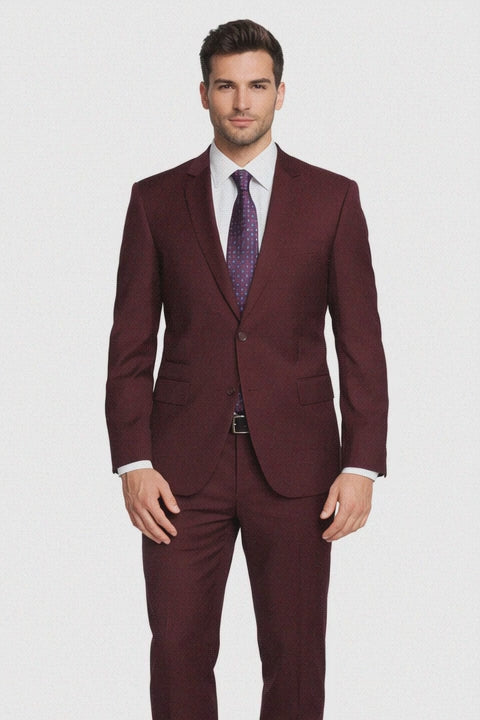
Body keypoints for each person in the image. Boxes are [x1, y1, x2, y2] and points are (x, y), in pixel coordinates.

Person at [106, 18, 388, 720]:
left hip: (299, 470)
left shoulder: (333, 199)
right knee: (176, 652)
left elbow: (360, 341)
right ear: (203, 93)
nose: (241, 102)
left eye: (257, 86)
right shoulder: (154, 200)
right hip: (178, 473)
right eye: (226, 86)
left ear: (280, 93)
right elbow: (130, 345)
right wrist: (133, 460)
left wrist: (362, 464)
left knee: (295, 657)